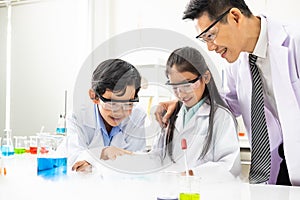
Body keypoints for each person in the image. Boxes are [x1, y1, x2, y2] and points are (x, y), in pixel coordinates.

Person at [155, 0, 300, 186]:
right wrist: (182, 102)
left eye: (211, 35)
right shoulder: (238, 64)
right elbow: (227, 104)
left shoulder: (295, 41)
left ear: (235, 17)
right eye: (204, 39)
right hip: (280, 168)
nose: (210, 47)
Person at [151, 46, 241, 178]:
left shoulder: (221, 117)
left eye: (187, 85)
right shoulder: (170, 116)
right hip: (171, 191)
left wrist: (190, 175)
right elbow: (157, 156)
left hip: (205, 192)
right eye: (175, 87)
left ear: (205, 77)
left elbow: (228, 167)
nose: (181, 93)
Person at [67, 58, 146, 173]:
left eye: (128, 103)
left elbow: (136, 163)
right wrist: (104, 153)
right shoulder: (77, 116)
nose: (119, 112)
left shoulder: (137, 116)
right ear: (94, 96)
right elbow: (76, 164)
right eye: (112, 103)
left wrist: (92, 158)